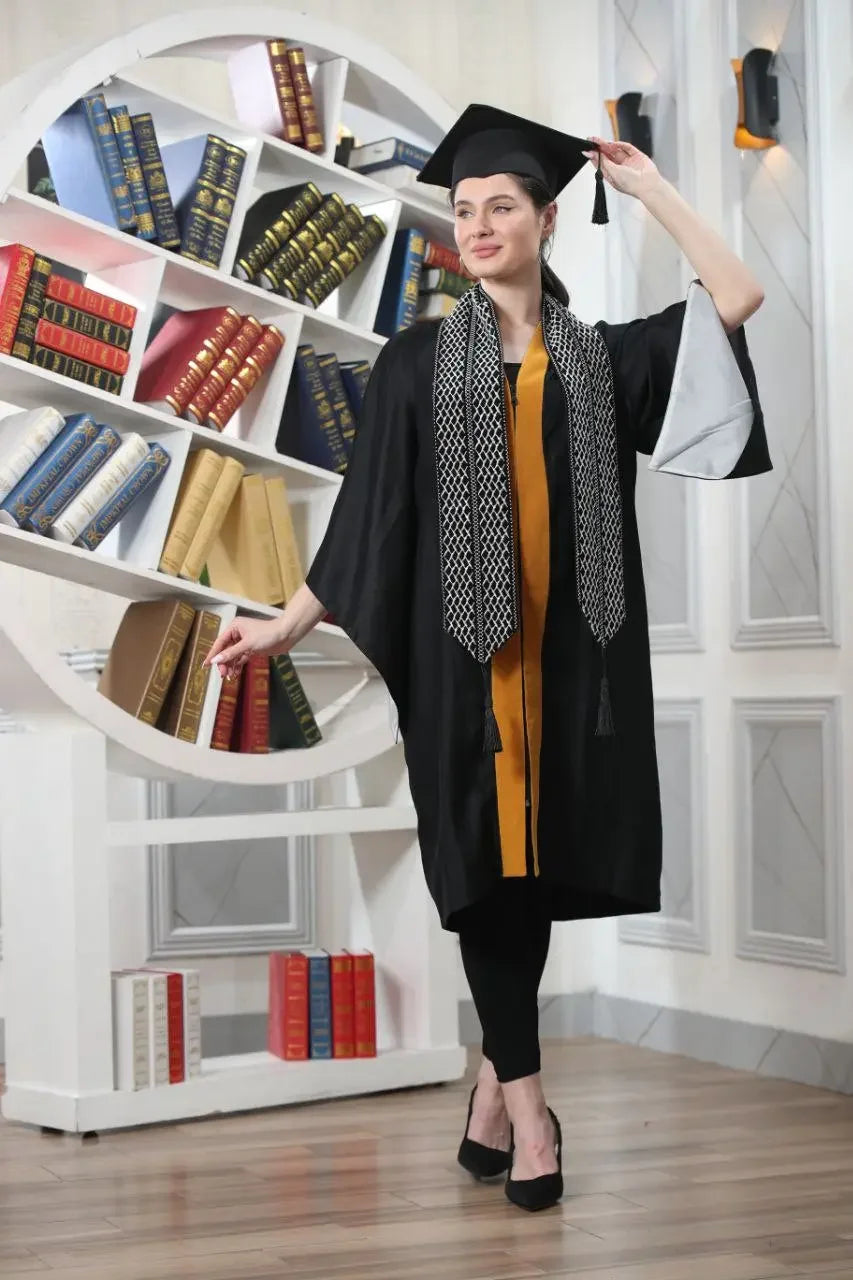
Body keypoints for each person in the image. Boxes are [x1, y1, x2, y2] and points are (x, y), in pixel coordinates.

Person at [204, 103, 770, 1212]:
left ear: (546, 220)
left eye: (499, 206)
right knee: (478, 880)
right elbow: (372, 516)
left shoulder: (603, 360)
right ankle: (531, 1115)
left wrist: (649, 187)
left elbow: (737, 300)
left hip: (575, 662)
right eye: (461, 209)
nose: (475, 224)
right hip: (459, 667)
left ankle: (487, 1093)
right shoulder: (416, 360)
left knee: (533, 877)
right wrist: (285, 620)